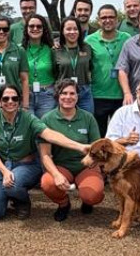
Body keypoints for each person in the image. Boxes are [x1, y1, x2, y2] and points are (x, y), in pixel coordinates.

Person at [0, 84, 90, 221]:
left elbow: (50, 135)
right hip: (2, 167)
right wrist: (4, 171)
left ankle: (22, 201)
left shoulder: (28, 118)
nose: (10, 101)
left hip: (26, 165)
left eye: (14, 98)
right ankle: (8, 194)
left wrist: (80, 147)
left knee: (13, 185)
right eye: (6, 99)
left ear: (19, 101)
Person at [40, 79, 103, 221]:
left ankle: (87, 201)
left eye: (72, 93)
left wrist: (93, 167)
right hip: (61, 166)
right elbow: (45, 155)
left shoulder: (88, 118)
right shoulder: (47, 119)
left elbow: (96, 149)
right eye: (64, 93)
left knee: (93, 195)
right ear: (57, 96)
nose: (68, 97)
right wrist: (56, 174)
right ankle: (63, 204)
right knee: (48, 183)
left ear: (77, 96)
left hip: (86, 166)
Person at [86, 4, 129, 136]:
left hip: (122, 95)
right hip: (98, 95)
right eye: (103, 17)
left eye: (111, 17)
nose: (107, 20)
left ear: (117, 20)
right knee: (100, 136)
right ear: (98, 20)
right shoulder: (89, 40)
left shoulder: (127, 38)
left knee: (122, 135)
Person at [54, 16, 94, 113]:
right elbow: (53, 72)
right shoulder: (56, 50)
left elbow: (91, 67)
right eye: (68, 29)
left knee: (86, 121)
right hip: (64, 92)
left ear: (79, 31)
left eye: (75, 29)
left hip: (84, 91)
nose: (72, 32)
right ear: (62, 31)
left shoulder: (87, 48)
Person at [22, 14, 57, 118]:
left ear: (44, 29)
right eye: (31, 26)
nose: (35, 28)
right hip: (26, 95)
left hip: (47, 95)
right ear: (26, 29)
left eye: (39, 26)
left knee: (45, 130)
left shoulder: (52, 49)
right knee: (29, 129)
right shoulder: (20, 50)